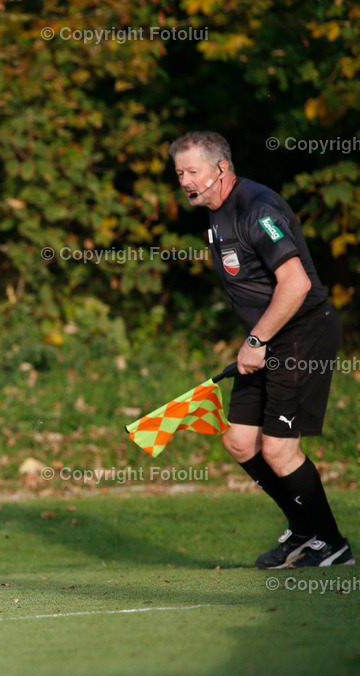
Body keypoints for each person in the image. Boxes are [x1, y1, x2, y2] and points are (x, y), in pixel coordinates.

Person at [170, 130, 352, 569]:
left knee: (278, 449)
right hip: (268, 338)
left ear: (221, 169)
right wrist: (258, 339)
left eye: (193, 171)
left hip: (300, 335)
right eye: (179, 173)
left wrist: (256, 340)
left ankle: (332, 544)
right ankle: (304, 531)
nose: (185, 181)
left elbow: (297, 283)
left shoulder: (257, 208)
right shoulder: (216, 211)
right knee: (239, 441)